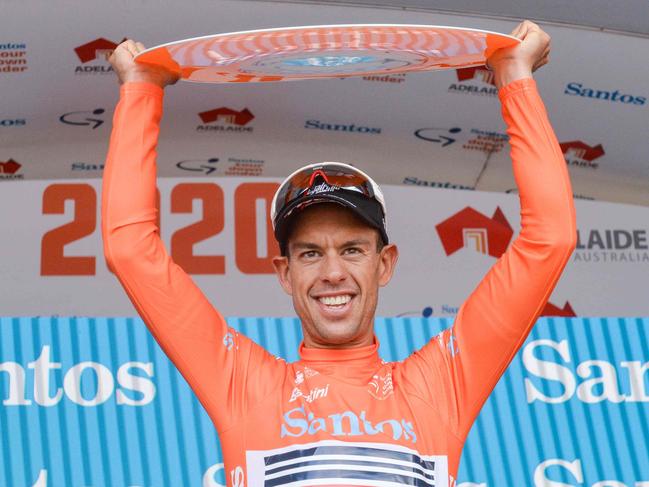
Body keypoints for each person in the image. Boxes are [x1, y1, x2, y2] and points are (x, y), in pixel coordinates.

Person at [103, 20, 576, 487]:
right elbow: (130, 250)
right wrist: (141, 90)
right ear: (284, 274)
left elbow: (550, 238)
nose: (333, 272)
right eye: (310, 254)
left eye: (352, 249)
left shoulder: (439, 386)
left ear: (384, 263)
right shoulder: (244, 387)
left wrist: (516, 77)